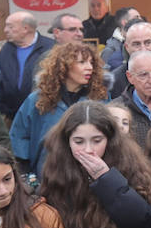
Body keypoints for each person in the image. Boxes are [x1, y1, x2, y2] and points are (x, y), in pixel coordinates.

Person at [10, 41, 107, 177]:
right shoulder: (38, 99)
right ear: (64, 66)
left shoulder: (100, 98)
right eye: (82, 62)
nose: (89, 67)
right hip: (48, 175)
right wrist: (26, 174)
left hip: (90, 175)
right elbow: (19, 137)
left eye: (91, 62)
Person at [0, 12, 55, 119]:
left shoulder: (50, 48)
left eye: (10, 26)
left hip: (42, 114)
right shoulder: (6, 49)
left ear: (25, 28)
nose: (5, 30)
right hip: (11, 115)